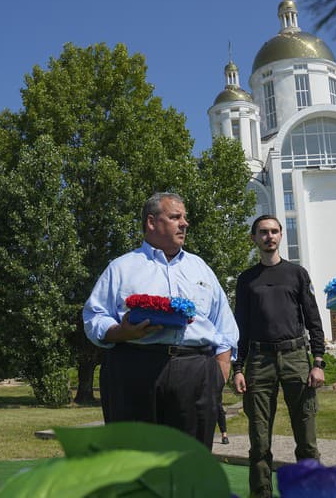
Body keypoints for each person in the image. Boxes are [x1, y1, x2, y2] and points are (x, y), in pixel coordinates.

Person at [82, 192, 239, 449]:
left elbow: (223, 322)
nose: (184, 223)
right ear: (152, 222)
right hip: (134, 369)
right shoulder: (122, 267)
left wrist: (219, 371)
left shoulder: (201, 268)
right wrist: (120, 333)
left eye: (184, 217)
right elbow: (93, 316)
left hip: (195, 371)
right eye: (175, 217)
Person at [233, 214, 326, 498]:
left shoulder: (297, 274)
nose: (269, 236)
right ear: (254, 238)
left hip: (297, 358)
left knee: (307, 440)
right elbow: (241, 327)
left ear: (281, 236)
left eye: (274, 231)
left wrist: (318, 362)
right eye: (263, 232)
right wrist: (237, 368)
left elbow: (313, 320)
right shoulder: (246, 280)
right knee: (259, 441)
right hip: (259, 362)